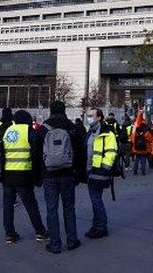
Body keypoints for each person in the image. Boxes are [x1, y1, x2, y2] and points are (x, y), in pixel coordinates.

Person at [41, 100, 86, 254]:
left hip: (49, 174)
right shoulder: (72, 128)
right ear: (64, 110)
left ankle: (55, 244)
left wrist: (38, 175)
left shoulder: (44, 127)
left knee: (51, 209)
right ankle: (72, 240)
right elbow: (81, 152)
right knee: (69, 208)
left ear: (51, 110)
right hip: (68, 174)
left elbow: (36, 152)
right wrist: (80, 174)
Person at [0, 109, 48, 244]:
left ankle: (10, 234)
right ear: (27, 119)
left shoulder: (8, 131)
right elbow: (36, 153)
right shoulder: (29, 131)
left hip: (7, 174)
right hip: (23, 174)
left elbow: (2, 152)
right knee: (31, 205)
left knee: (8, 206)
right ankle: (40, 232)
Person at [84, 108, 118, 239]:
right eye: (88, 116)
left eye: (91, 116)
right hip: (89, 171)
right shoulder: (91, 132)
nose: (89, 118)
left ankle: (102, 227)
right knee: (95, 200)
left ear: (99, 117)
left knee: (96, 200)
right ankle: (96, 226)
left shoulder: (107, 132)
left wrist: (104, 168)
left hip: (99, 171)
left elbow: (112, 151)